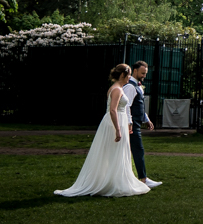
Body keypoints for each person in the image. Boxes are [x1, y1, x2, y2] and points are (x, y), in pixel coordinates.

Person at [54, 64, 151, 197]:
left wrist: (127, 123)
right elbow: (113, 110)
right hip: (115, 122)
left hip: (121, 121)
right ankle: (114, 182)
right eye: (128, 75)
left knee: (118, 152)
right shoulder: (117, 89)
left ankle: (115, 180)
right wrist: (118, 129)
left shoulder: (118, 88)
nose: (129, 77)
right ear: (123, 75)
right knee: (116, 151)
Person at [122, 61, 161, 188]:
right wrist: (129, 122)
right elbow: (127, 106)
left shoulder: (137, 86)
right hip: (132, 124)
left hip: (137, 122)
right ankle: (143, 179)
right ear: (135, 71)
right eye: (142, 73)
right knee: (138, 150)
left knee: (133, 150)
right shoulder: (130, 86)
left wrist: (147, 119)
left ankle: (136, 177)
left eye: (145, 73)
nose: (144, 75)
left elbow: (140, 106)